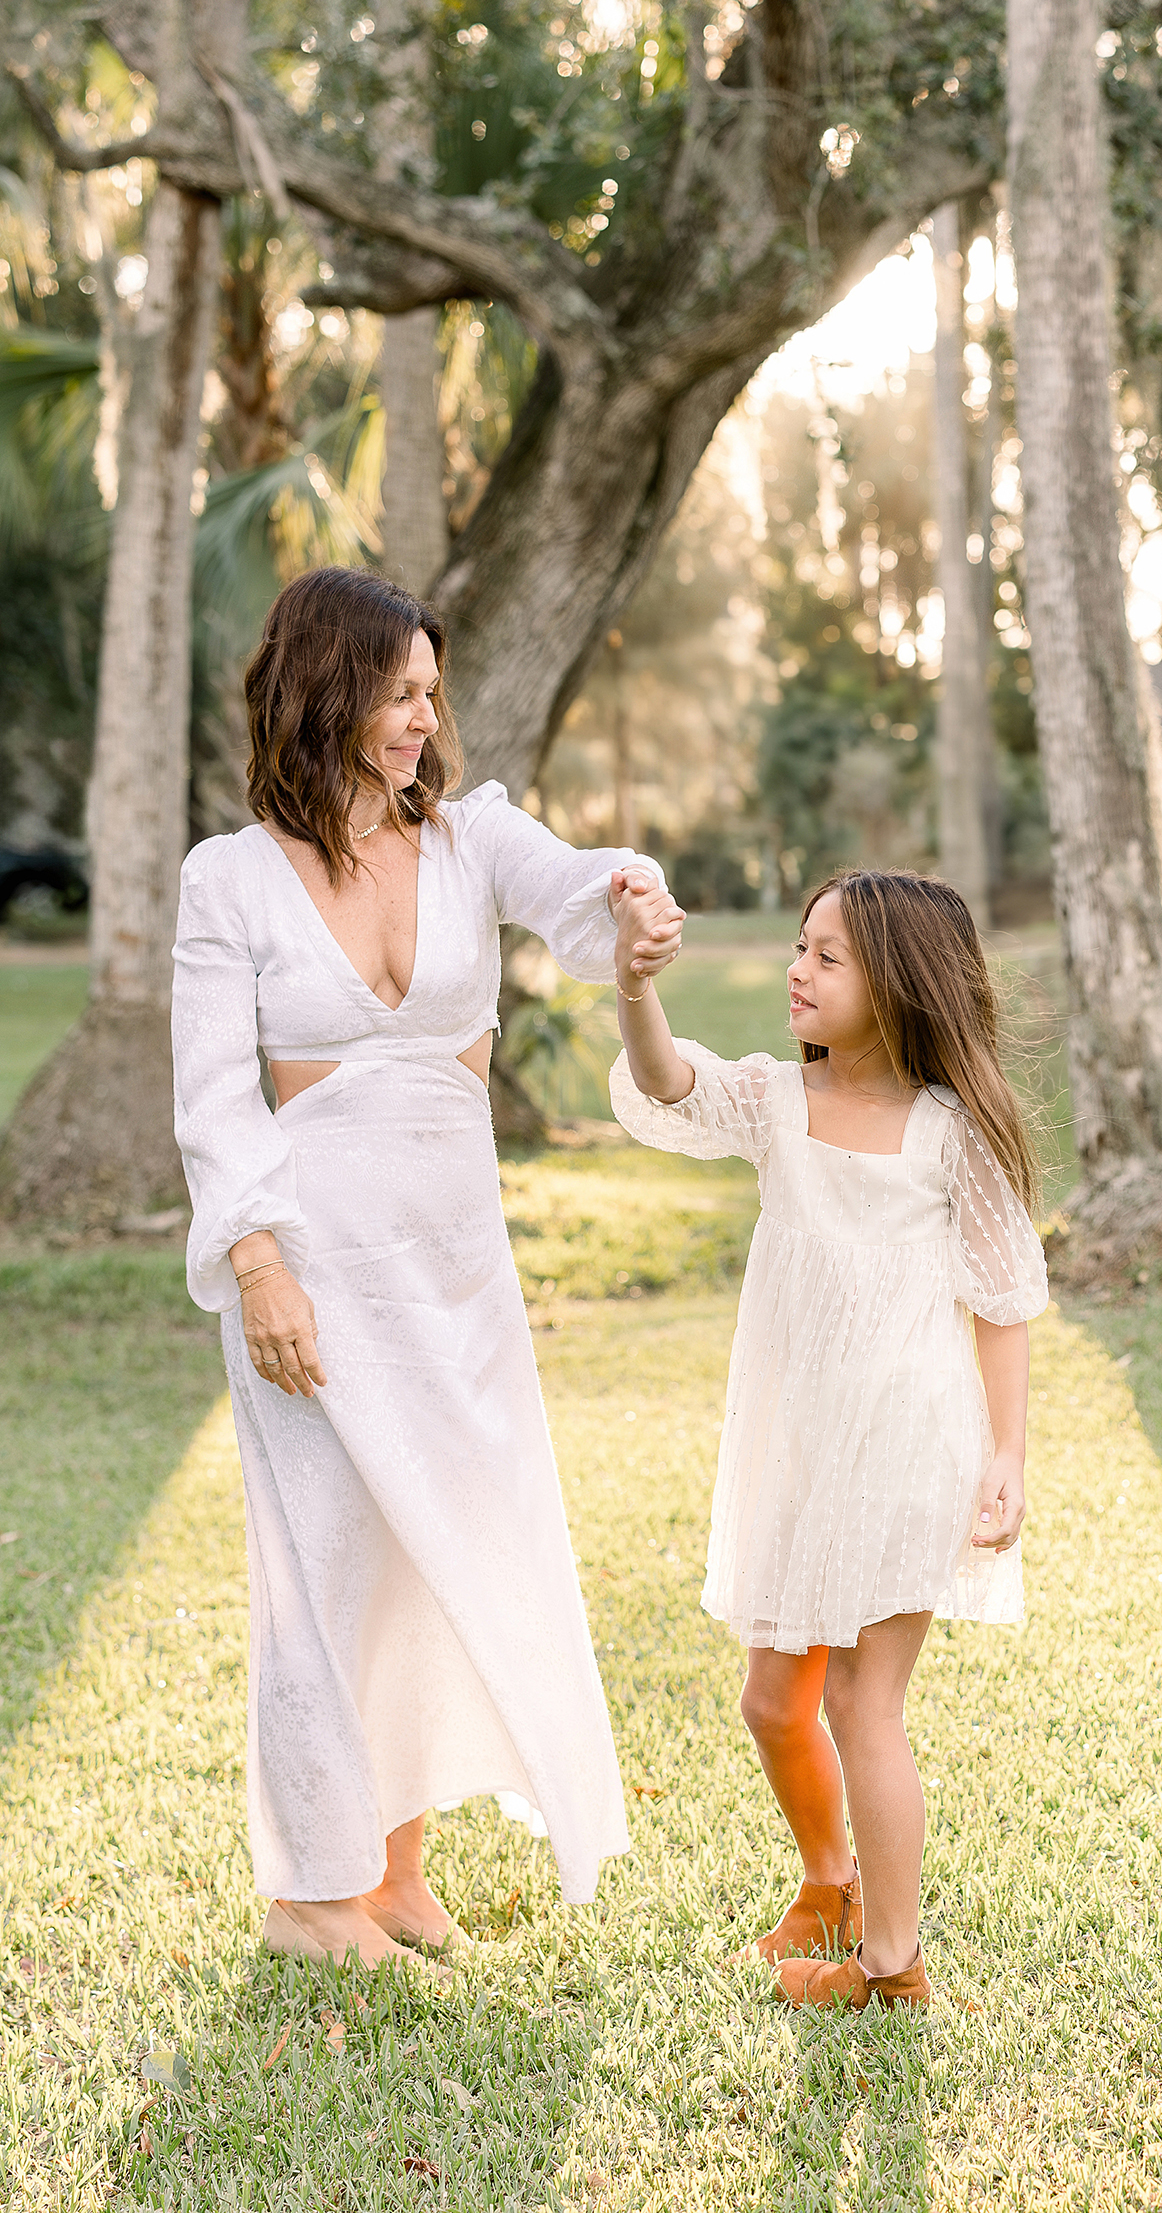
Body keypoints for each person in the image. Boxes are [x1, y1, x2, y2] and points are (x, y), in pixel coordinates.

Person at [170, 566, 683, 1972]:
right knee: (327, 1562)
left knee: (440, 1555)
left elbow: (580, 896)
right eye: (401, 692)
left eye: (431, 694)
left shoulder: (469, 843)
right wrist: (257, 1264)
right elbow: (214, 1099)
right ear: (328, 688)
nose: (422, 718)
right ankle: (309, 1897)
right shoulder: (230, 880)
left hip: (455, 1273)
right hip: (314, 1271)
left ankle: (394, 1870)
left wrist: (631, 903)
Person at [607, 868, 1048, 2009]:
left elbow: (1002, 1300)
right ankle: (828, 1877)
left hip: (908, 1443)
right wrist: (635, 986)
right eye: (799, 948)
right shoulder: (769, 1101)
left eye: (826, 956)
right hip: (802, 1446)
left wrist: (1005, 1457)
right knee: (772, 1699)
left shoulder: (952, 1136)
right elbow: (665, 1079)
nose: (796, 972)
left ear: (898, 982)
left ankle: (890, 1964)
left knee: (863, 1702)